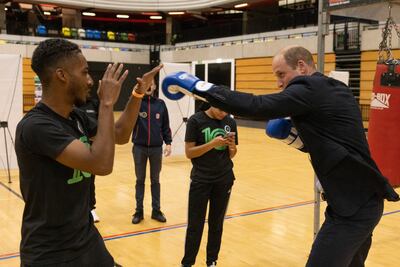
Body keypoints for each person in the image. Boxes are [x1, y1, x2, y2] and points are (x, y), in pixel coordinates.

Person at [162, 45, 399, 267]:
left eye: (281, 75)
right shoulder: (334, 89)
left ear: (301, 67)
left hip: (353, 209)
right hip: (358, 200)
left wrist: (198, 86)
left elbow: (256, 105)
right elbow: (334, 142)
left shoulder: (310, 89)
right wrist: (296, 140)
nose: (278, 83)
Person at [15, 38, 162, 267]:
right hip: (50, 253)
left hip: (86, 239)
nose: (91, 80)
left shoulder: (76, 117)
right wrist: (106, 103)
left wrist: (137, 95)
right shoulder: (36, 126)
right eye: (84, 73)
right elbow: (101, 164)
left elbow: (121, 134)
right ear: (62, 76)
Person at [181, 102, 238, 267]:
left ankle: (212, 261)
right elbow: (189, 152)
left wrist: (231, 146)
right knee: (195, 224)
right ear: (212, 104)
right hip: (201, 179)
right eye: (221, 109)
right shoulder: (195, 121)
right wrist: (212, 144)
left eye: (227, 110)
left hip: (224, 178)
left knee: (216, 224)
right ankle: (187, 263)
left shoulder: (230, 122)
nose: (224, 113)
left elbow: (232, 154)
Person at [131, 79, 172, 224]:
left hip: (156, 149)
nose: (149, 86)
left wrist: (168, 143)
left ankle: (156, 211)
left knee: (155, 180)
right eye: (146, 84)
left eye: (151, 84)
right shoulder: (136, 103)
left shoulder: (160, 104)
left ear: (154, 86)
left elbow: (166, 126)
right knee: (140, 180)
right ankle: (138, 212)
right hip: (139, 148)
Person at [76, 96, 101, 222]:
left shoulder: (94, 103)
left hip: (91, 149)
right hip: (75, 148)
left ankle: (91, 208)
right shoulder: (73, 106)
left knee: (90, 180)